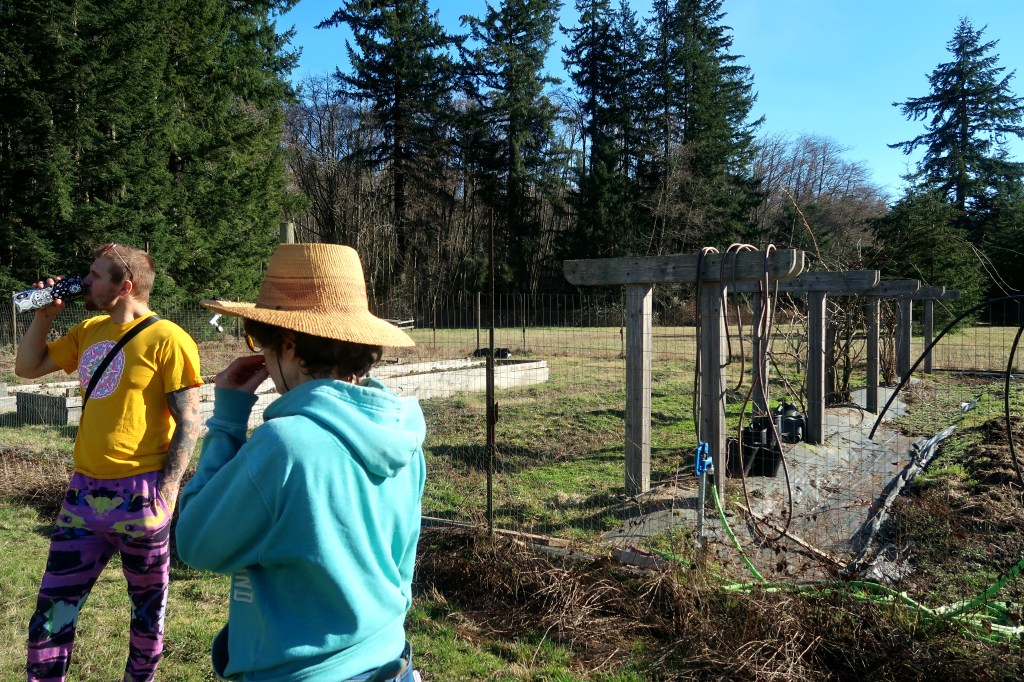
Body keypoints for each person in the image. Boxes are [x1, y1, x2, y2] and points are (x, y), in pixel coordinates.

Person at [175, 243, 426, 682]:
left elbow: (196, 541)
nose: (263, 359)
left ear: (288, 345)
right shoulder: (404, 432)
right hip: (391, 663)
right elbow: (402, 564)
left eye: (260, 341)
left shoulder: (285, 444)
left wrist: (228, 420)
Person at [16, 243, 204, 682]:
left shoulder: (170, 339)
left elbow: (190, 421)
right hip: (82, 496)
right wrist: (45, 314)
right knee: (50, 613)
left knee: (146, 616)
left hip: (142, 497)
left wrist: (169, 492)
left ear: (126, 286)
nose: (86, 281)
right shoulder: (88, 330)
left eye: (96, 275)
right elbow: (27, 368)